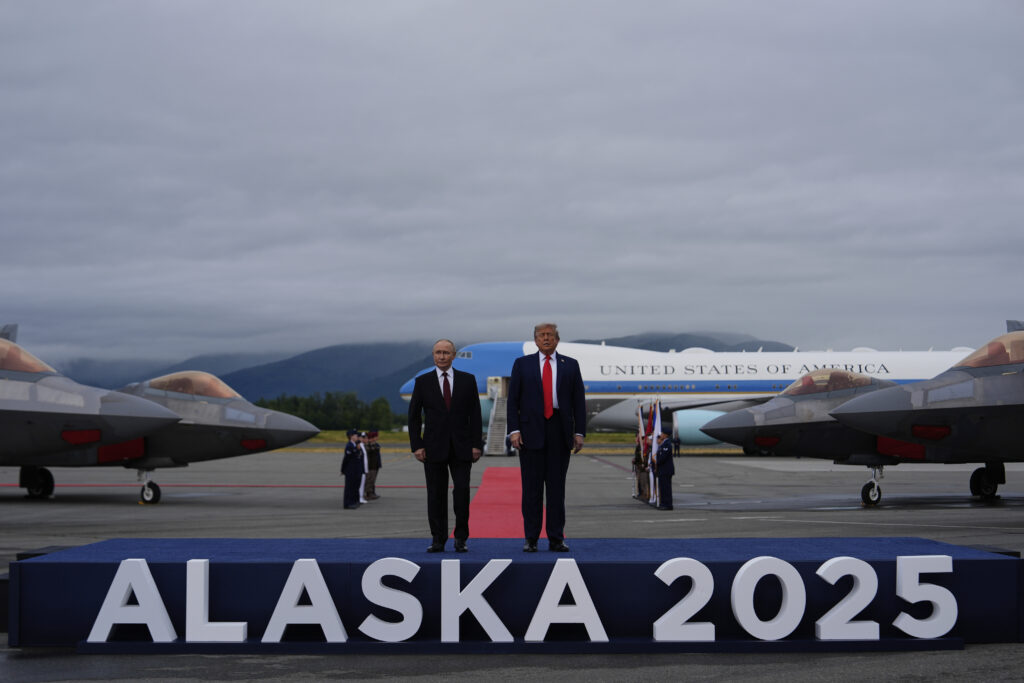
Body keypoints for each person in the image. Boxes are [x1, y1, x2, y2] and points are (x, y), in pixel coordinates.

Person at [507, 323, 586, 553]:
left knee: (556, 491)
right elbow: (513, 401)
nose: (546, 339)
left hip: (559, 432)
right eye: (541, 336)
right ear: (535, 340)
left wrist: (579, 432)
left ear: (557, 339)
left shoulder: (570, 365)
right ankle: (531, 538)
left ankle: (556, 538)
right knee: (531, 490)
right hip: (530, 433)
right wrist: (514, 430)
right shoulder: (522, 365)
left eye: (550, 335)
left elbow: (579, 401)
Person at [408, 339, 483, 553]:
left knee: (461, 493)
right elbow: (413, 417)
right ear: (433, 355)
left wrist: (476, 444)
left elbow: (475, 415)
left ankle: (461, 538)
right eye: (438, 353)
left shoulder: (468, 381)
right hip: (432, 448)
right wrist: (417, 445)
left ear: (453, 355)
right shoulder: (422, 382)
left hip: (462, 448)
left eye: (446, 353)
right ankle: (438, 539)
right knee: (436, 495)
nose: (441, 356)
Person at [340, 429, 364, 509]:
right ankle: (347, 504)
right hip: (350, 470)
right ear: (351, 436)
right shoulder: (349, 446)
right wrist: (343, 470)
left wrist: (358, 449)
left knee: (355, 486)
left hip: (356, 470)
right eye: (355, 435)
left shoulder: (355, 445)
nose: (357, 436)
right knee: (349, 487)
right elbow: (346, 459)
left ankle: (354, 501)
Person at [655, 431, 675, 510]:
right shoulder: (663, 444)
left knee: (666, 488)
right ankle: (664, 503)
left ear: (666, 435)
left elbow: (663, 457)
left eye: (662, 433)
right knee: (663, 488)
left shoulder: (667, 444)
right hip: (663, 470)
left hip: (666, 470)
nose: (661, 435)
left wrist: (657, 462)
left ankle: (667, 504)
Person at [364, 431, 382, 500]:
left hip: (375, 465)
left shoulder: (375, 444)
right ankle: (368, 493)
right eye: (376, 436)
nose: (377, 437)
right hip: (370, 466)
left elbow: (377, 448)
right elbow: (370, 450)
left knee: (373, 480)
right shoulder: (368, 445)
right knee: (369, 480)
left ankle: (372, 492)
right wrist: (370, 442)